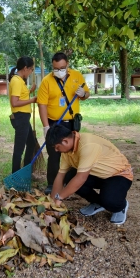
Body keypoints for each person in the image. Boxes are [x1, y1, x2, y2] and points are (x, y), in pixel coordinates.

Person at [46, 125, 133, 225]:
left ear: (65, 141)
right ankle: (98, 203)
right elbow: (60, 176)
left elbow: (81, 178)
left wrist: (59, 198)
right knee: (69, 177)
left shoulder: (87, 145)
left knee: (110, 201)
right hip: (97, 174)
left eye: (57, 147)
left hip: (118, 174)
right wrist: (52, 204)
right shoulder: (67, 151)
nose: (56, 150)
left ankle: (121, 207)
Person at [37, 52, 90, 194]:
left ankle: (70, 183)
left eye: (61, 68)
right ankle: (51, 184)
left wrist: (83, 94)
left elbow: (86, 94)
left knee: (73, 153)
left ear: (67, 64)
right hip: (54, 124)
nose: (58, 71)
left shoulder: (77, 76)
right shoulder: (46, 81)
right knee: (54, 154)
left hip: (72, 122)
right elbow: (41, 105)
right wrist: (46, 126)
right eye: (55, 68)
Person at [8, 56, 37, 173]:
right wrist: (32, 100)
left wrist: (30, 91)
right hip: (21, 117)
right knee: (19, 149)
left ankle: (25, 171)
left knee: (31, 143)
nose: (31, 72)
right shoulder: (16, 81)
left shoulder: (20, 81)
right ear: (25, 68)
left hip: (24, 117)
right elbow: (15, 102)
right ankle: (16, 175)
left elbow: (21, 96)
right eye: (31, 70)